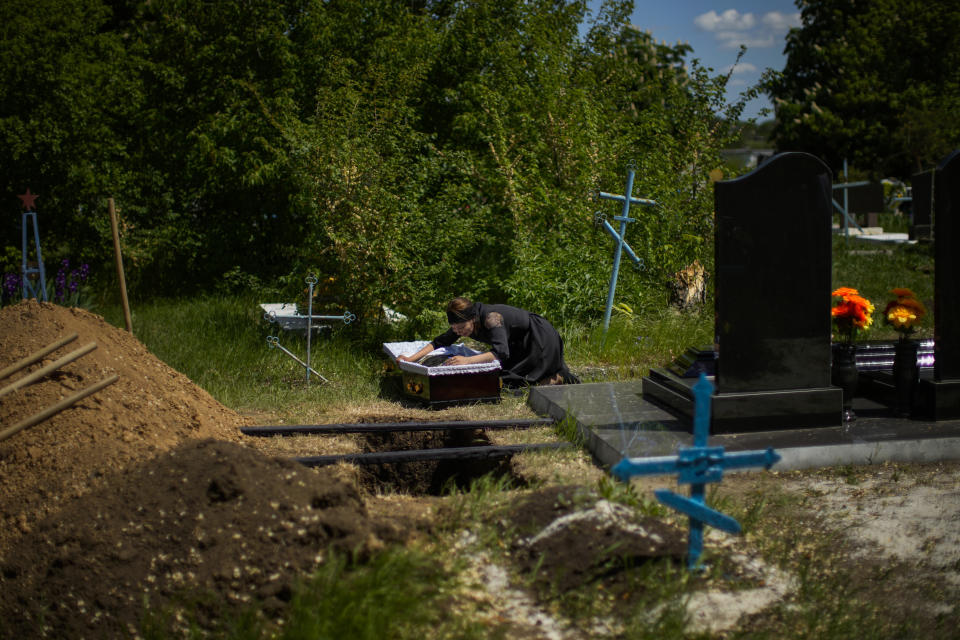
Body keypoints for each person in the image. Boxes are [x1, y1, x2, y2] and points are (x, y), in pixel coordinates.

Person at [396, 297, 579, 387]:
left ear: (473, 319)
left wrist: (466, 361)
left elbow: (501, 353)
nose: (458, 332)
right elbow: (439, 342)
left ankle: (560, 376)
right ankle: (552, 377)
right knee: (503, 380)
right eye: (455, 328)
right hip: (517, 342)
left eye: (461, 328)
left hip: (539, 337)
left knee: (516, 383)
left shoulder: (492, 318)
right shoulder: (461, 325)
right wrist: (411, 359)